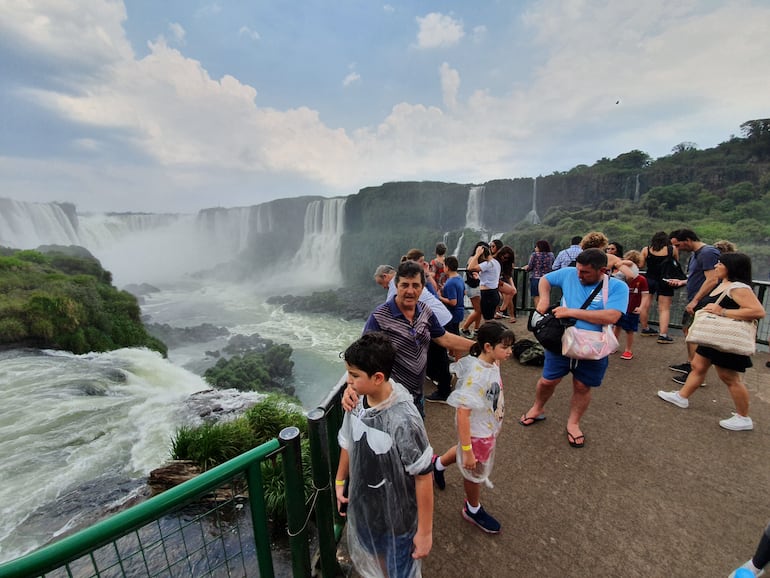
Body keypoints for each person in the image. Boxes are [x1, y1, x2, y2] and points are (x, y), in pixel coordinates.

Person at [335, 332, 434, 578]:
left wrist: (425, 531)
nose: (348, 381)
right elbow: (349, 441)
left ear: (378, 377)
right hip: (367, 508)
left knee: (400, 567)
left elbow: (423, 475)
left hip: (399, 520)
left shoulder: (404, 420)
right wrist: (340, 481)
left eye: (354, 375)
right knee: (377, 558)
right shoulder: (356, 401)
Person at [520, 248, 629, 448]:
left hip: (593, 346)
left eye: (585, 272)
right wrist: (544, 299)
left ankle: (573, 423)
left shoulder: (618, 287)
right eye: (578, 270)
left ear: (602, 270)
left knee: (582, 386)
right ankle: (537, 408)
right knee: (547, 381)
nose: (579, 275)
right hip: (561, 341)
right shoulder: (570, 273)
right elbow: (545, 280)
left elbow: (612, 316)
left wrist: (571, 312)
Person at [348, 260, 474, 416]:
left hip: (417, 396)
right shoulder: (380, 317)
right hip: (391, 400)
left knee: (417, 433)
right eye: (405, 285)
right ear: (396, 285)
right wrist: (351, 387)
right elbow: (361, 354)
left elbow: (444, 338)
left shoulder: (425, 311)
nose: (410, 291)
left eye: (415, 285)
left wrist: (476, 346)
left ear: (422, 288)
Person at [657, 252, 765, 431]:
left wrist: (721, 312)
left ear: (731, 267)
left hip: (727, 339)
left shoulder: (738, 288)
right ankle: (682, 396)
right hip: (713, 337)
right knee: (698, 366)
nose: (716, 266)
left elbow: (758, 312)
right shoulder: (724, 284)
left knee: (730, 377)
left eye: (720, 264)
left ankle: (744, 417)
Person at [431, 322, 514, 534]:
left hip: (484, 427)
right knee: (474, 471)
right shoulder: (477, 377)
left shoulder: (492, 362)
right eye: (505, 347)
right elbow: (462, 413)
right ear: (488, 347)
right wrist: (468, 451)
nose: (509, 352)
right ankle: (472, 508)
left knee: (463, 449)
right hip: (479, 433)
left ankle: (437, 465)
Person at [666, 229, 721, 385]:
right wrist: (682, 282)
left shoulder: (707, 253)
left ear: (688, 240)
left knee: (695, 334)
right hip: (695, 298)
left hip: (702, 301)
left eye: (678, 245)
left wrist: (696, 300)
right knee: (688, 331)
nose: (678, 249)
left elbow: (712, 279)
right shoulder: (695, 255)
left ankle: (697, 373)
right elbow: (697, 276)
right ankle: (691, 364)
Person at [638, 231, 680, 343]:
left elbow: (641, 265)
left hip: (649, 279)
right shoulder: (672, 249)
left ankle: (645, 328)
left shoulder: (646, 249)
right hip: (665, 281)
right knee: (664, 308)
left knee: (645, 304)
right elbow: (676, 264)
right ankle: (663, 334)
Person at [613, 250, 649, 360]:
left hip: (632, 308)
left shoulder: (641, 279)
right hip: (620, 308)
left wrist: (641, 307)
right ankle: (613, 345)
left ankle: (628, 350)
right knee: (616, 327)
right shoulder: (620, 279)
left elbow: (645, 295)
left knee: (629, 330)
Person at [460, 241, 490, 338]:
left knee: (479, 310)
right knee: (478, 310)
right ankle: (464, 328)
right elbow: (470, 269)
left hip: (476, 287)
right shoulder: (473, 259)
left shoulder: (480, 260)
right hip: (473, 288)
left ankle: (476, 329)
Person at [467, 242, 501, 322]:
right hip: (494, 293)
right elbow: (490, 277)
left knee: (488, 320)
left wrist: (476, 255)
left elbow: (470, 268)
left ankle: (494, 333)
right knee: (490, 318)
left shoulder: (488, 264)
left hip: (487, 295)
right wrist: (479, 277)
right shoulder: (495, 262)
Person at [438, 255, 465, 336]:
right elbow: (464, 292)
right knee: (456, 333)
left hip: (453, 314)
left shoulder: (450, 283)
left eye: (444, 265)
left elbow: (453, 302)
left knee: (452, 336)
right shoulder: (459, 278)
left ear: (447, 267)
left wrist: (439, 297)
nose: (443, 267)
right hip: (460, 311)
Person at [523, 240, 554, 309]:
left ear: (539, 247)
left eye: (536, 247)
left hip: (536, 278)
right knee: (545, 297)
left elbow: (530, 267)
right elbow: (553, 265)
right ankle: (545, 314)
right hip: (547, 279)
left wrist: (526, 267)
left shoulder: (535, 255)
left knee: (536, 296)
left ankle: (538, 313)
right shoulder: (551, 255)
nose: (535, 248)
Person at [494, 245, 517, 322]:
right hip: (495, 281)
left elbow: (508, 275)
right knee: (497, 297)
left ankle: (511, 315)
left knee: (508, 297)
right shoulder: (495, 261)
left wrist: (512, 286)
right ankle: (498, 312)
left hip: (503, 280)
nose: (505, 259)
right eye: (504, 257)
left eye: (507, 258)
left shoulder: (508, 264)